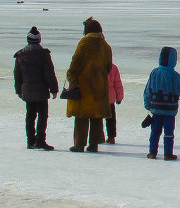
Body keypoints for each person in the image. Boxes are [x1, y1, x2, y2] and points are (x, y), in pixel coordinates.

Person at [141, 46, 180, 160]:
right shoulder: (175, 76)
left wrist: (147, 105)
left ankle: (152, 153)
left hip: (156, 110)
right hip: (170, 111)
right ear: (174, 60)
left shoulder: (154, 73)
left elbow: (147, 91)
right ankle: (168, 154)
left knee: (155, 132)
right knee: (169, 133)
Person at [65, 17, 113, 153]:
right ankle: (94, 144)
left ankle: (79, 144)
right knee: (96, 117)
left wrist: (72, 79)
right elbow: (108, 67)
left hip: (84, 87)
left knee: (81, 116)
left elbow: (75, 63)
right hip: (99, 88)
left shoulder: (84, 43)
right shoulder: (106, 46)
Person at [13, 26, 59, 150]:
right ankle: (40, 141)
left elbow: (17, 75)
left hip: (27, 91)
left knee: (30, 115)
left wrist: (19, 90)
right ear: (39, 40)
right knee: (42, 116)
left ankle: (30, 141)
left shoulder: (20, 55)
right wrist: (54, 89)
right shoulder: (44, 54)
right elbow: (49, 73)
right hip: (41, 91)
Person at [105, 63, 124, 144]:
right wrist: (119, 98)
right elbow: (118, 84)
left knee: (97, 119)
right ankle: (111, 137)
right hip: (110, 98)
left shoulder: (97, 65)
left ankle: (98, 137)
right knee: (111, 119)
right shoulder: (113, 67)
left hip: (98, 97)